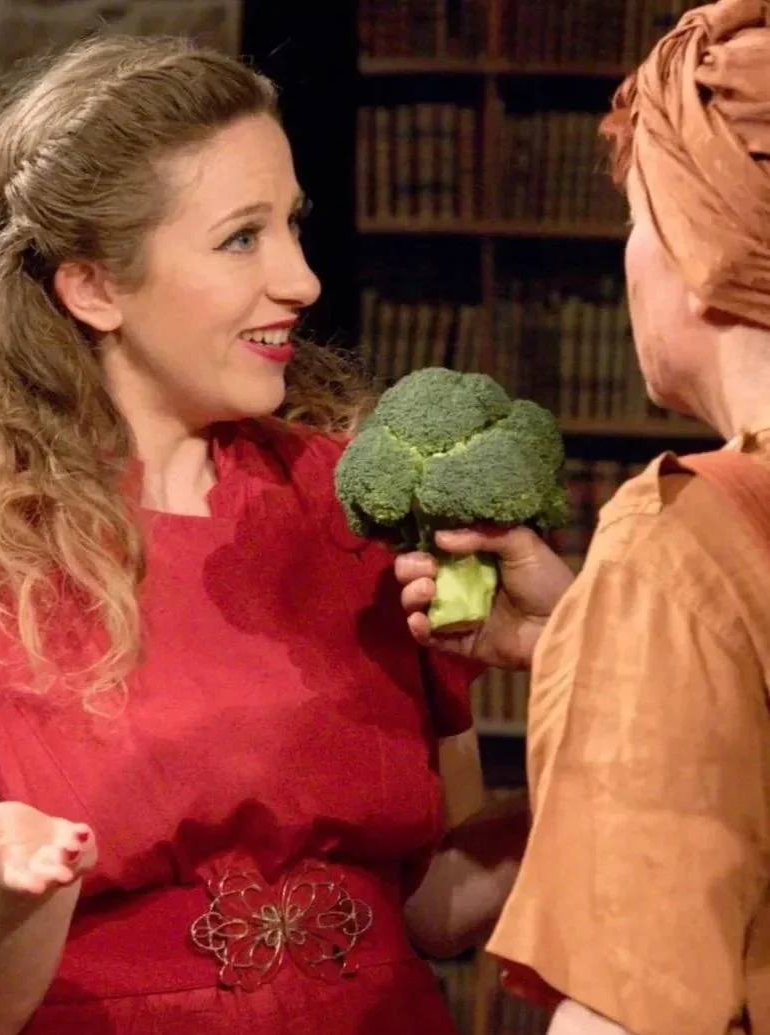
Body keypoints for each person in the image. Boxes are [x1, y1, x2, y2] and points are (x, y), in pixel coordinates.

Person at [0, 35, 525, 1035]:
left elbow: (434, 908)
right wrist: (15, 894)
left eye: (292, 226)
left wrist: (620, 771)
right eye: (241, 238)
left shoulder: (363, 515)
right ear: (93, 287)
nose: (302, 280)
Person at [397, 1, 770, 1032]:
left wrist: (640, 618)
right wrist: (584, 641)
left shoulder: (681, 538)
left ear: (703, 239)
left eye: (639, 219)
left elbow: (630, 1003)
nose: (630, 257)